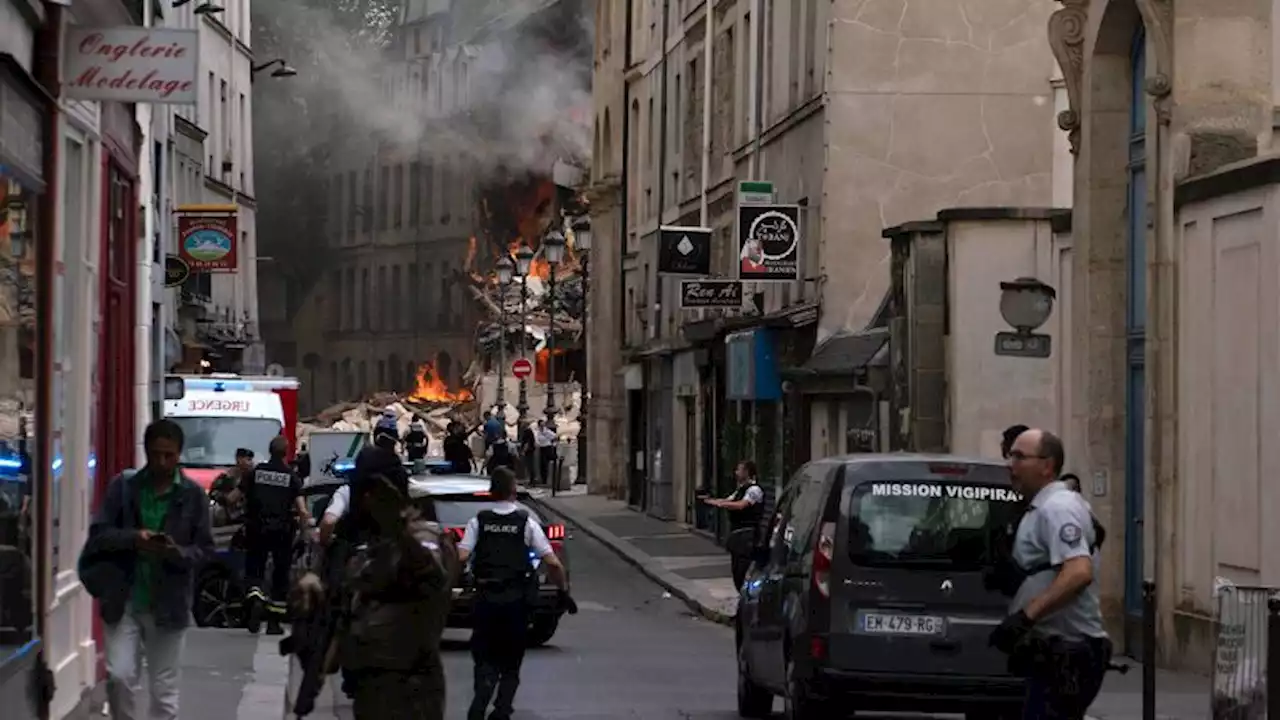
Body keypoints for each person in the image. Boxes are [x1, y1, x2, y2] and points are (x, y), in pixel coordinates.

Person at [78, 419, 214, 720]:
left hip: (169, 602)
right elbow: (99, 535)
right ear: (146, 452)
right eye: (156, 454)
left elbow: (205, 550)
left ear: (179, 454)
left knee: (164, 693)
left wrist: (175, 552)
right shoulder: (123, 488)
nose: (162, 462)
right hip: (124, 599)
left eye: (169, 455)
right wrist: (134, 539)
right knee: (119, 677)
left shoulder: (192, 496)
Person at [989, 428, 1111, 720]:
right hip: (1053, 649)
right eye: (1010, 456)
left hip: (1070, 651)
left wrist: (1026, 616)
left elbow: (1079, 572)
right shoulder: (1040, 508)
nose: (1011, 464)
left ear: (1047, 465)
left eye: (1020, 457)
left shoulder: (1057, 508)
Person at [459, 467, 575, 720]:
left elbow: (462, 556)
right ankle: (502, 708)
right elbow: (553, 563)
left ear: (491, 492)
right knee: (512, 659)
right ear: (513, 492)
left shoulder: (478, 521)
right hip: (516, 601)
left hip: (486, 598)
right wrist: (563, 591)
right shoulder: (526, 522)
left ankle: (485, 683)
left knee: (483, 653)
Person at [337, 474, 457, 719]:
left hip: (408, 682)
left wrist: (399, 530)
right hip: (373, 679)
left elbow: (429, 573)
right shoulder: (380, 550)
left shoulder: (428, 543)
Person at [242, 435, 311, 635]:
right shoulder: (291, 477)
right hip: (282, 531)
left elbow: (234, 497)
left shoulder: (256, 473)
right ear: (285, 452)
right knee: (280, 576)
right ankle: (274, 623)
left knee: (255, 570)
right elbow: (302, 510)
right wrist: (305, 531)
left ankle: (255, 601)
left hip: (256, 529)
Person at [702, 460, 765, 589]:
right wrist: (712, 501)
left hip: (748, 533)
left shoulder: (754, 490)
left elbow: (741, 505)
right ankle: (741, 592)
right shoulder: (740, 489)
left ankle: (746, 594)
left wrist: (722, 504)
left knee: (743, 567)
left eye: (739, 470)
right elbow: (729, 500)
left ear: (747, 472)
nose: (736, 472)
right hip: (737, 533)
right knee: (736, 568)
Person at [534, 419, 557, 488]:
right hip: (541, 448)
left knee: (547, 463)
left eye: (543, 425)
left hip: (548, 447)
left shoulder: (547, 431)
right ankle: (543, 479)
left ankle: (548, 479)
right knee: (542, 464)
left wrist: (553, 443)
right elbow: (536, 440)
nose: (542, 426)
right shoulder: (537, 432)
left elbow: (555, 436)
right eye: (541, 425)